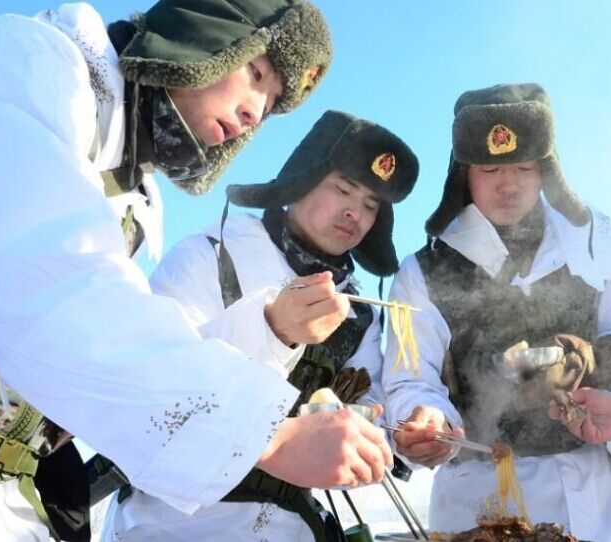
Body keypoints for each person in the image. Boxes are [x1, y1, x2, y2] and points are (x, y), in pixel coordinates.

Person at [0, 1, 386, 540]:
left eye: (271, 103)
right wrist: (264, 432)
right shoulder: (22, 64)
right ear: (207, 34)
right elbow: (52, 279)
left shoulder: (136, 195)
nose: (255, 113)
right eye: (255, 74)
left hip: (13, 487)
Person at [103, 109, 419, 542]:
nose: (355, 213)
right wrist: (272, 330)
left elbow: (370, 413)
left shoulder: (360, 314)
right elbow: (150, 384)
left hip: (295, 527)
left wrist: (404, 435)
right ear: (302, 180)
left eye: (370, 205)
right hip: (172, 522)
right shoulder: (211, 255)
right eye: (343, 189)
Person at [381, 83, 611, 542]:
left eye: (525, 167)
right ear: (462, 173)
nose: (509, 185)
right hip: (481, 498)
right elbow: (411, 379)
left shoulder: (595, 242)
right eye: (489, 168)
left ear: (547, 169)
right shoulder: (422, 271)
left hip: (605, 495)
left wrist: (592, 361)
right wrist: (428, 420)